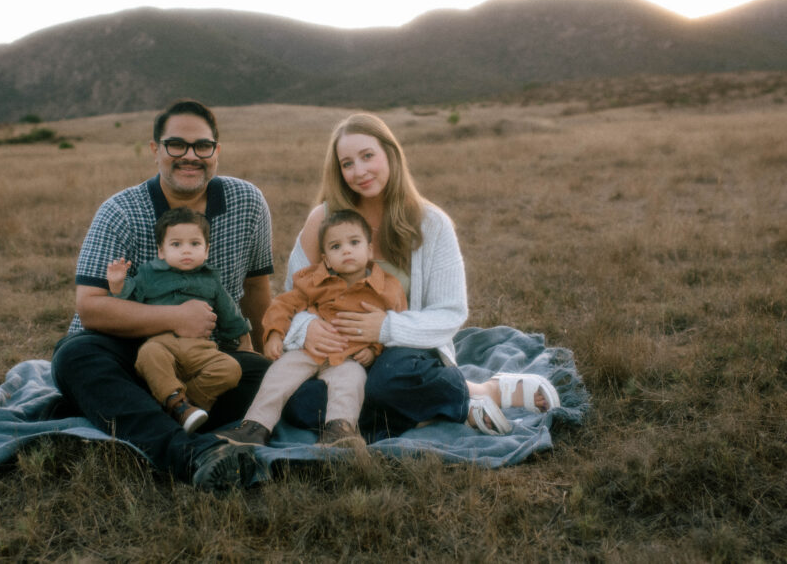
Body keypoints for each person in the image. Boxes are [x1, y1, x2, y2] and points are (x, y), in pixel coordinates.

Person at [279, 113, 560, 439]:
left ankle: (487, 391)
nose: (360, 171)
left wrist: (385, 328)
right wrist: (307, 329)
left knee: (386, 382)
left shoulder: (431, 223)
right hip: (336, 354)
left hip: (404, 353)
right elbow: (291, 298)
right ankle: (444, 407)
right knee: (298, 403)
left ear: (391, 155)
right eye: (347, 163)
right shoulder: (323, 220)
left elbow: (451, 312)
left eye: (368, 156)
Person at [51, 99, 274, 491]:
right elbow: (90, 308)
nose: (190, 156)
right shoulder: (120, 211)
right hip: (126, 351)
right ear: (156, 150)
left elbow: (256, 289)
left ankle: (126, 412)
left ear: (216, 152)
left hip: (206, 354)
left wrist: (266, 351)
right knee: (75, 357)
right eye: (176, 145)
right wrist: (175, 318)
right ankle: (192, 453)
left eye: (202, 146)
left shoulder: (247, 203)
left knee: (259, 375)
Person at [217, 209, 407, 449]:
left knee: (352, 382)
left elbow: (394, 325)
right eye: (336, 247)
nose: (346, 250)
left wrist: (373, 349)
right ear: (326, 258)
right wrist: (275, 334)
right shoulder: (313, 281)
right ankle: (255, 426)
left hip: (347, 357)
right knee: (278, 375)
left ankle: (339, 430)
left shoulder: (387, 288)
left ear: (369, 250)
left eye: (354, 242)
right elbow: (283, 305)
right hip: (307, 351)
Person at [107, 207, 249, 433]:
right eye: (176, 245)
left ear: (207, 250)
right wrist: (117, 285)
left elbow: (229, 313)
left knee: (231, 369)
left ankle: (180, 405)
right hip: (162, 343)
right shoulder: (148, 274)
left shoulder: (211, 280)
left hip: (200, 349)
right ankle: (178, 405)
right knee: (148, 355)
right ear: (161, 251)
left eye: (194, 244)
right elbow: (129, 300)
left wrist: (244, 340)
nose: (186, 251)